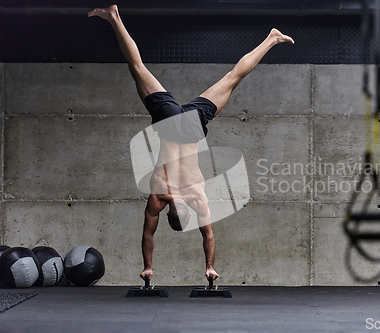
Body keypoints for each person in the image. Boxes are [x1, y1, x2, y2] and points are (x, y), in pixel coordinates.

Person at [88, 5, 294, 282]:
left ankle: (114, 16)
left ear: (172, 212)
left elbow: (152, 234)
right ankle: (271, 38)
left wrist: (151, 266)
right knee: (147, 70)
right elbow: (203, 234)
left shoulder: (175, 197)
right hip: (179, 123)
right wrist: (208, 266)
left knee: (148, 70)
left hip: (182, 123)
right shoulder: (180, 197)